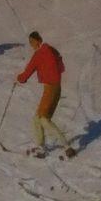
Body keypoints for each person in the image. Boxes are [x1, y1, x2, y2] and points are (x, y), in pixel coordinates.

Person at [15, 30, 74, 158]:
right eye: (30, 42)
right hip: (56, 87)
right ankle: (41, 146)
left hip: (50, 88)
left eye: (32, 41)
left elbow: (27, 73)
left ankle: (66, 146)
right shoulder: (51, 50)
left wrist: (19, 78)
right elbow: (61, 65)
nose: (31, 44)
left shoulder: (39, 54)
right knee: (37, 118)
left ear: (38, 40)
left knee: (43, 119)